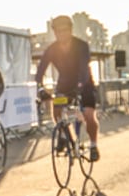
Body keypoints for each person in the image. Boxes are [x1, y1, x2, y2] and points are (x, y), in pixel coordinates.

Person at [33, 15, 100, 160]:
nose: (61, 34)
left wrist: (81, 85)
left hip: (85, 82)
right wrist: (40, 86)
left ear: (70, 30)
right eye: (58, 31)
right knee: (57, 112)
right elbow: (41, 68)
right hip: (65, 83)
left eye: (64, 30)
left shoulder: (81, 46)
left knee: (89, 115)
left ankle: (94, 145)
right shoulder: (52, 49)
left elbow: (83, 68)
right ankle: (66, 137)